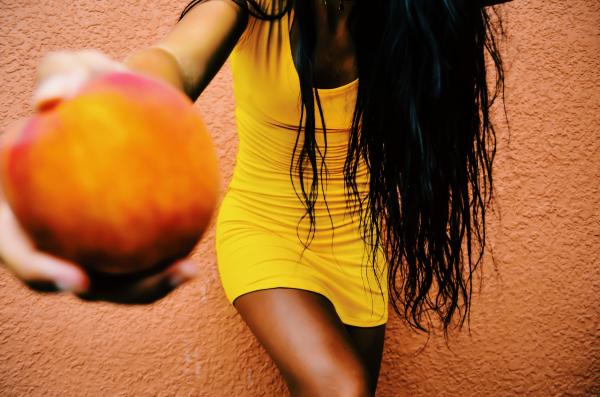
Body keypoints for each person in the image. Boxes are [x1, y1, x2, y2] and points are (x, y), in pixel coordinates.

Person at [0, 0, 511, 395]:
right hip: (264, 230)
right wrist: (115, 99)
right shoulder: (254, 3)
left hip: (360, 241)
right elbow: (175, 60)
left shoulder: (417, 18)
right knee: (340, 386)